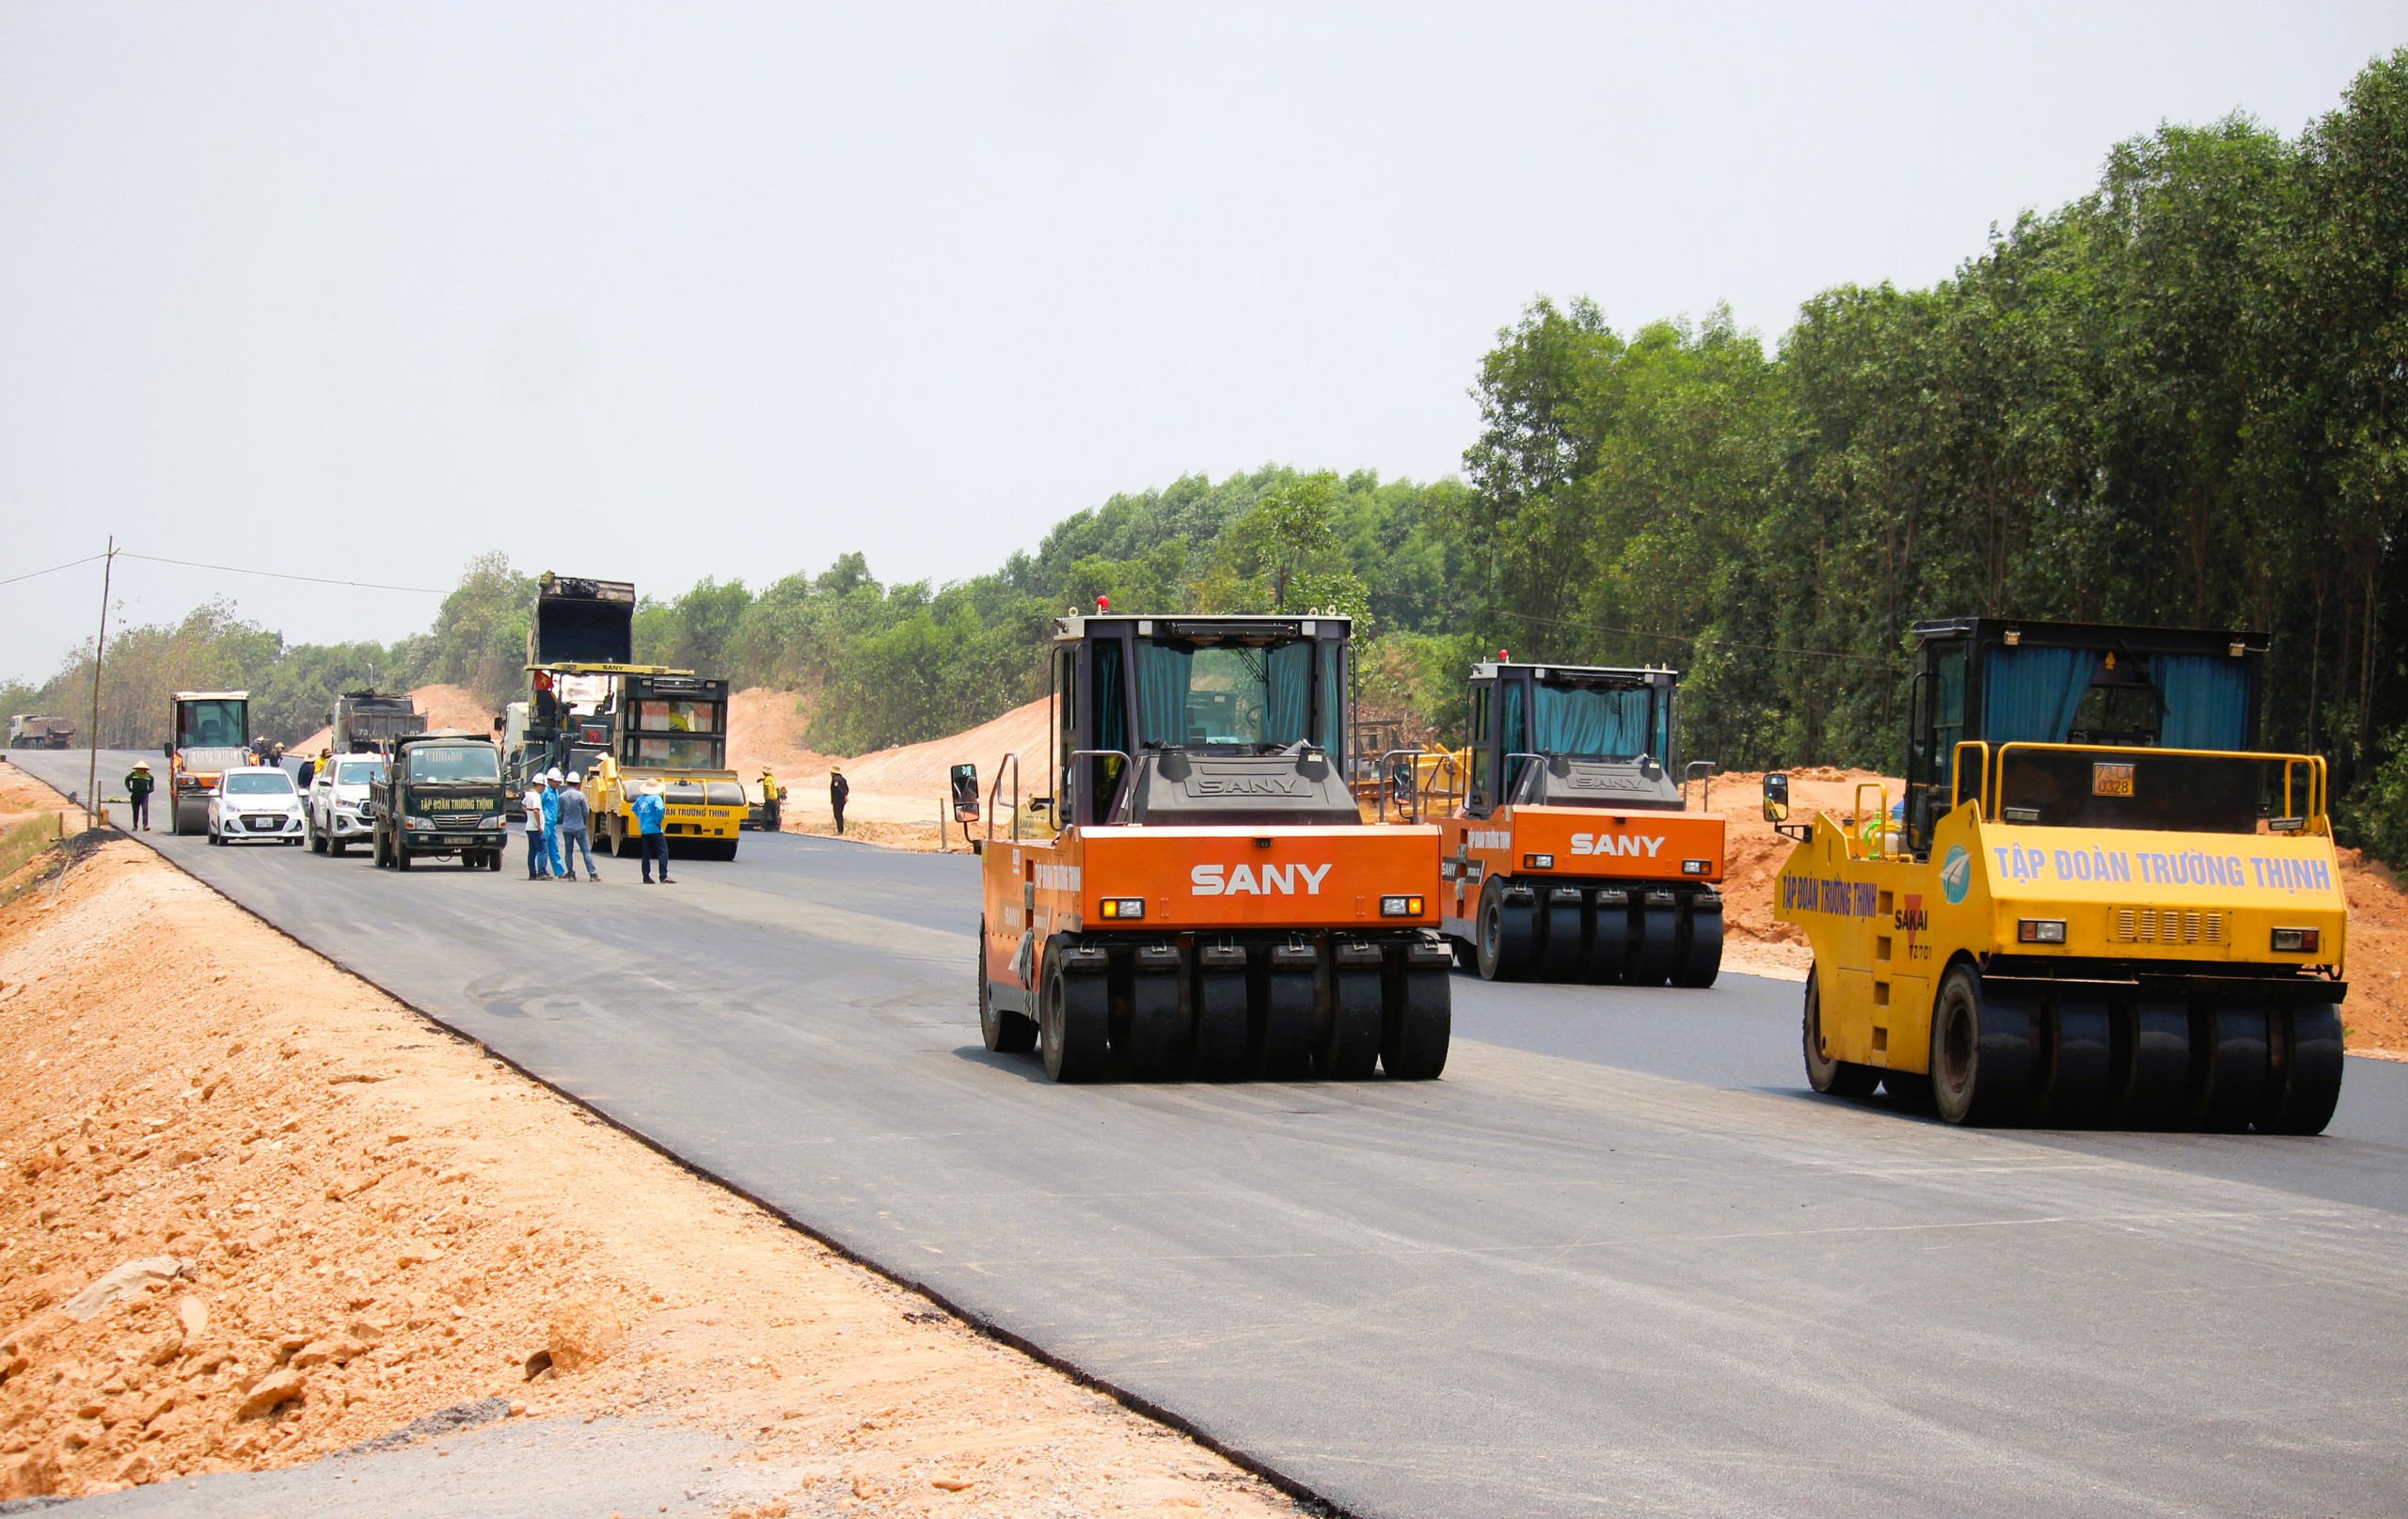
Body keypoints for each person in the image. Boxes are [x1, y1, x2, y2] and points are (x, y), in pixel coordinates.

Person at [556, 769, 598, 881]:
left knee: (568, 851)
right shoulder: (580, 796)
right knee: (586, 851)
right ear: (578, 784)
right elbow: (586, 812)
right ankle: (592, 874)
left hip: (567, 828)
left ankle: (570, 874)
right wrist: (583, 821)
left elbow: (559, 814)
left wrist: (565, 819)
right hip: (579, 827)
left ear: (568, 783)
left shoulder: (562, 796)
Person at [632, 778, 673, 884]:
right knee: (663, 852)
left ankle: (646, 877)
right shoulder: (656, 798)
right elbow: (659, 809)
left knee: (646, 854)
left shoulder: (640, 799)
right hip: (655, 829)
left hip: (644, 829)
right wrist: (658, 820)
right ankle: (663, 876)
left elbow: (633, 808)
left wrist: (641, 817)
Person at [522, 769, 551, 879]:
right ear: (539, 785)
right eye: (543, 786)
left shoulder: (528, 795)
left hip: (529, 827)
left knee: (532, 851)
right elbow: (536, 810)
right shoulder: (536, 796)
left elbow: (523, 805)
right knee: (543, 850)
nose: (544, 789)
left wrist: (528, 814)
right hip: (535, 828)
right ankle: (542, 872)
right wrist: (539, 825)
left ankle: (532, 873)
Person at [541, 767, 565, 878]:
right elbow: (538, 805)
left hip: (552, 824)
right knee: (543, 849)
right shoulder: (545, 792)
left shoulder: (555, 792)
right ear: (549, 780)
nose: (558, 783)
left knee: (554, 848)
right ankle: (542, 870)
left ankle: (559, 872)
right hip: (545, 823)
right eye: (556, 781)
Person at [125, 760, 154, 831]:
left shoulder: (149, 776)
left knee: (145, 810)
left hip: (144, 796)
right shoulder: (133, 775)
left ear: (145, 770)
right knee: (135, 811)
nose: (141, 770)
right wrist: (129, 788)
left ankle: (145, 825)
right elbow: (127, 780)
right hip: (135, 795)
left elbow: (152, 786)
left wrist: (148, 791)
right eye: (139, 769)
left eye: (142, 769)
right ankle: (135, 826)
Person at [759, 767, 783, 832]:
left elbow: (769, 787)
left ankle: (762, 827)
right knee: (774, 813)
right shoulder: (771, 778)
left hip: (770, 798)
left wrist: (769, 797)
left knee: (764, 813)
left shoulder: (767, 780)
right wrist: (762, 779)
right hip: (775, 798)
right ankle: (777, 827)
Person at [830, 766, 849, 835]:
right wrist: (845, 795)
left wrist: (841, 796)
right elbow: (847, 789)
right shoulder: (842, 779)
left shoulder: (836, 779)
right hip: (842, 800)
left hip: (838, 800)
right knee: (839, 814)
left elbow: (838, 789)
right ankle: (840, 830)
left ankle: (840, 830)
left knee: (837, 815)